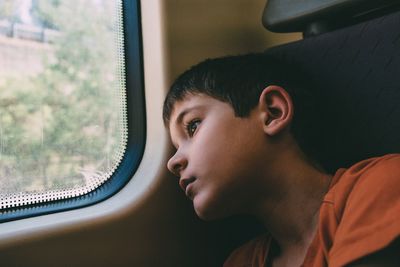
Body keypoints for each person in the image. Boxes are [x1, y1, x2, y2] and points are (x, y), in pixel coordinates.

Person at [162, 53, 400, 267]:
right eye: (175, 147)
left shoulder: (380, 185)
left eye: (192, 126)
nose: (172, 162)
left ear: (273, 112)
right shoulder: (242, 261)